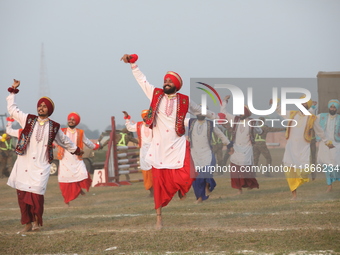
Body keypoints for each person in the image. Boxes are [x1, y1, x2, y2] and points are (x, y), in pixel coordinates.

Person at [121, 53, 218, 229]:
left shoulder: (184, 100)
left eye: (170, 81)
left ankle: (183, 190)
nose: (166, 83)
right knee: (158, 185)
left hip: (177, 144)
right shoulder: (156, 95)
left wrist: (216, 115)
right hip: (158, 147)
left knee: (189, 173)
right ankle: (159, 218)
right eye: (165, 80)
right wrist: (133, 65)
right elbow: (143, 81)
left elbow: (198, 111)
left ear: (176, 85)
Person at [6, 79, 83, 232]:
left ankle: (36, 222)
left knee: (37, 195)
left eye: (44, 106)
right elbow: (12, 110)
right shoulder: (27, 119)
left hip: (41, 165)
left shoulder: (54, 127)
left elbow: (64, 141)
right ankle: (27, 224)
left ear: (49, 110)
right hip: (24, 162)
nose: (41, 108)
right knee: (22, 194)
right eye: (40, 105)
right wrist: (12, 92)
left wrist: (76, 150)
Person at [275, 96, 332, 200]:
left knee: (304, 171)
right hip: (290, 148)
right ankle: (294, 195)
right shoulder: (292, 114)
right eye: (301, 103)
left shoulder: (311, 118)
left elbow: (319, 131)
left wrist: (327, 141)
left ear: (308, 106)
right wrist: (276, 103)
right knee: (289, 171)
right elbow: (280, 111)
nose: (302, 104)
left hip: (302, 149)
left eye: (305, 103)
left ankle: (305, 178)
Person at [220, 95, 262, 195]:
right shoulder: (235, 119)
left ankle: (250, 184)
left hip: (247, 150)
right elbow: (224, 113)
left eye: (243, 112)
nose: (240, 114)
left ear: (247, 113)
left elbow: (259, 130)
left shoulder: (252, 122)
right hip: (236, 149)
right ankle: (239, 189)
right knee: (235, 170)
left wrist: (259, 130)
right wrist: (225, 101)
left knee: (245, 171)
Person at [57, 112, 99, 206]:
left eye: (73, 120)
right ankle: (67, 199)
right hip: (64, 158)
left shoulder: (80, 132)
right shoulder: (62, 131)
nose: (71, 121)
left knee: (83, 174)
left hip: (76, 157)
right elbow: (54, 138)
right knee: (65, 179)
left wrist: (95, 146)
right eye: (70, 119)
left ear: (76, 122)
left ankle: (79, 189)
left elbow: (87, 142)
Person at [187, 114, 231, 203]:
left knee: (207, 172)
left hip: (207, 153)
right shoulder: (190, 122)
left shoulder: (210, 124)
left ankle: (207, 185)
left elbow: (220, 134)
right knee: (196, 177)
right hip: (194, 154)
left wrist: (229, 144)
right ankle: (199, 198)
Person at [124, 110, 154, 197]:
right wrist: (127, 118)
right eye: (145, 116)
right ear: (143, 117)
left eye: (148, 116)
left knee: (155, 170)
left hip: (154, 149)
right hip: (144, 150)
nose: (146, 117)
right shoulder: (139, 125)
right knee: (145, 170)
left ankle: (158, 190)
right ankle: (150, 190)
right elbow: (129, 128)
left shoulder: (154, 124)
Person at [316, 99, 340, 192]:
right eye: (331, 106)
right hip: (324, 144)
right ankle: (329, 185)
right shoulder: (322, 116)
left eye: (334, 107)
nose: (332, 108)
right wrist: (313, 108)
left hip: (336, 144)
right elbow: (311, 118)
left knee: (336, 165)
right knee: (326, 165)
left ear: (337, 108)